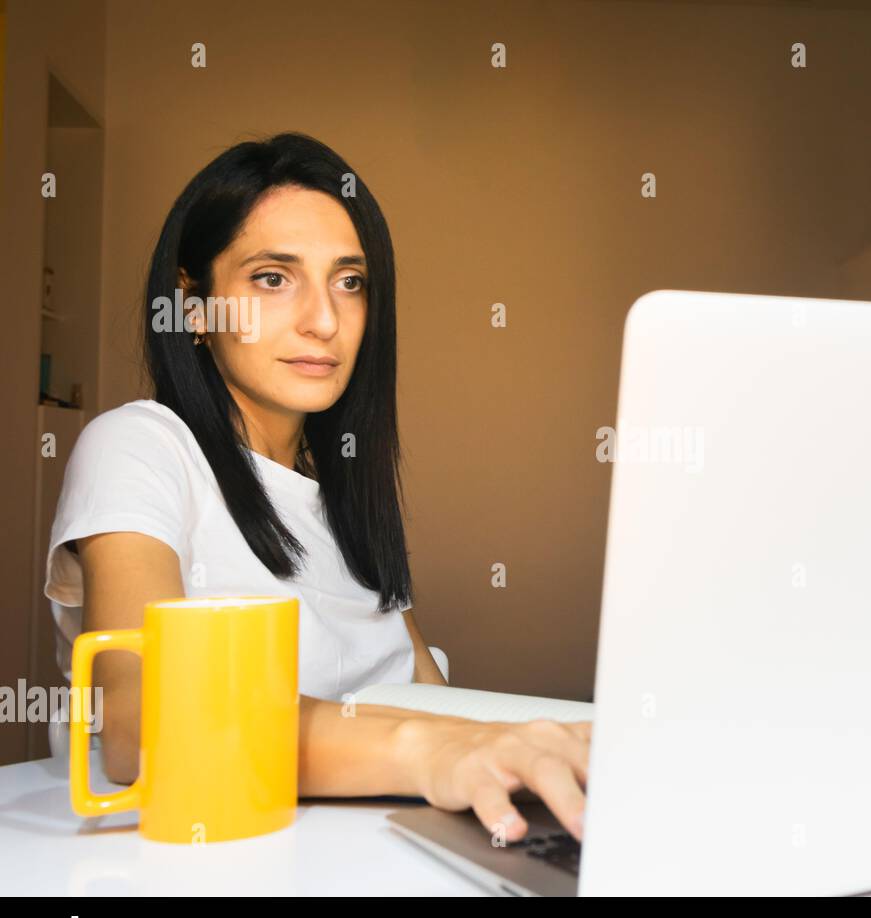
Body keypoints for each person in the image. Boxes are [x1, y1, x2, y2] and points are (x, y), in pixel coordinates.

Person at [43, 132, 588, 843]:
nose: (325, 320)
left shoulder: (341, 499)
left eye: (349, 281)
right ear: (194, 306)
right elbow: (143, 723)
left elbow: (432, 702)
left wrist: (568, 742)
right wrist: (427, 753)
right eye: (273, 277)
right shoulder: (140, 445)